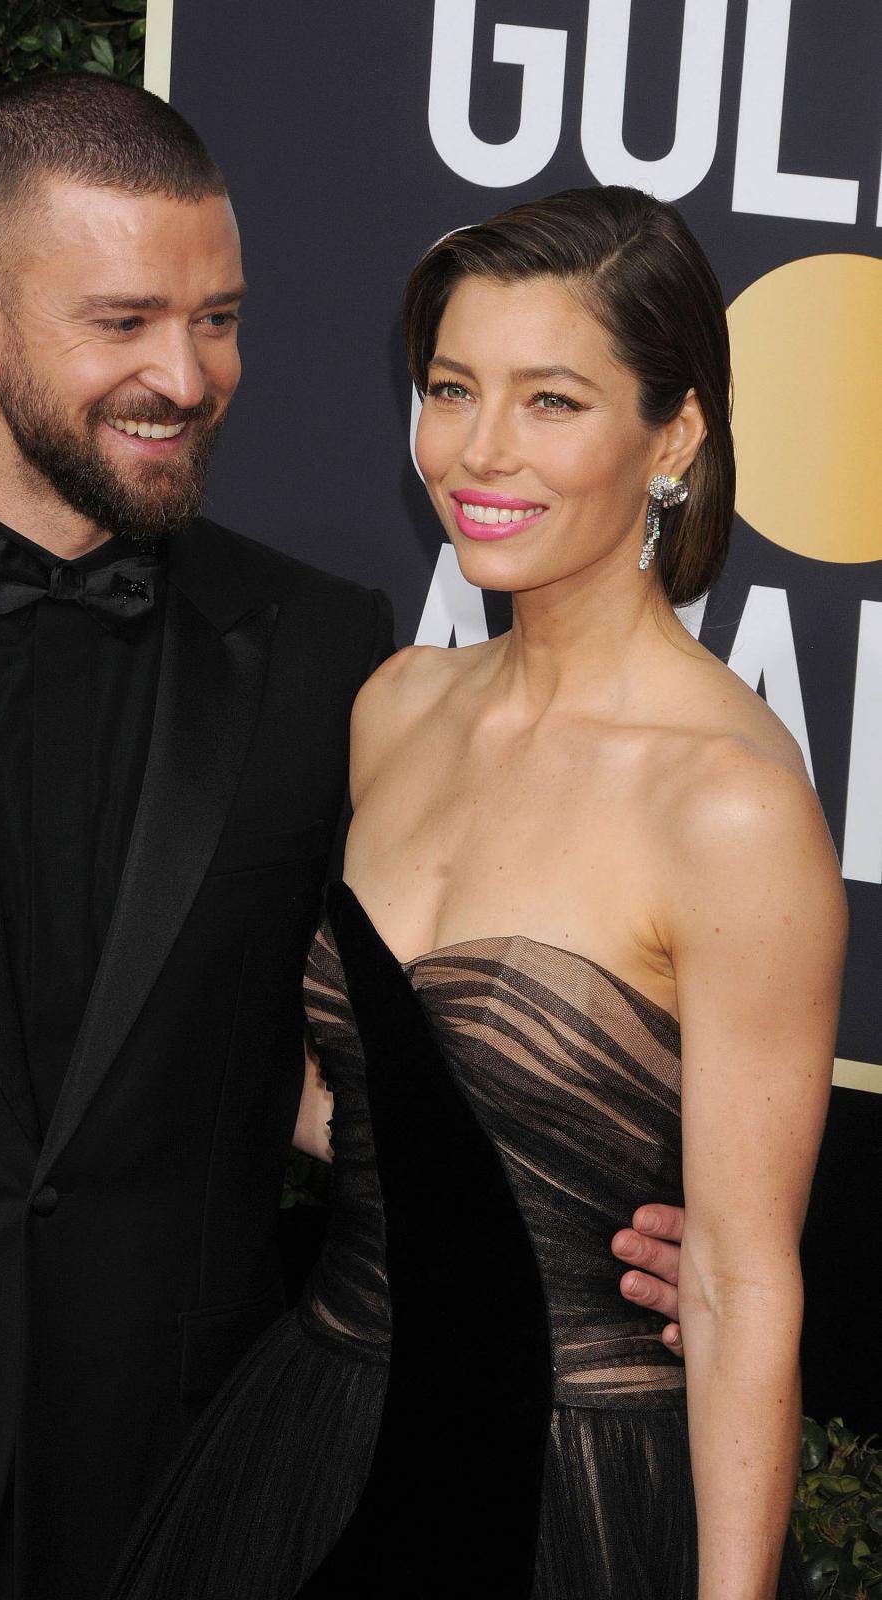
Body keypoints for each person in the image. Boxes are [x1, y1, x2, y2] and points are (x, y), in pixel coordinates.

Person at [0, 77, 682, 1600]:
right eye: (122, 322)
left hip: (185, 1483)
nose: (186, 374)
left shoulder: (323, 654)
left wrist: (598, 1233)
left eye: (219, 317)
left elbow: (357, 1065)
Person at [105, 186, 844, 1600]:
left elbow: (745, 1287)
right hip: (319, 1425)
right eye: (451, 389)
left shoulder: (729, 803)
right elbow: (359, 1100)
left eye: (553, 400)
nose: (479, 450)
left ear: (673, 433)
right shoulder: (398, 707)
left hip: (561, 1481)